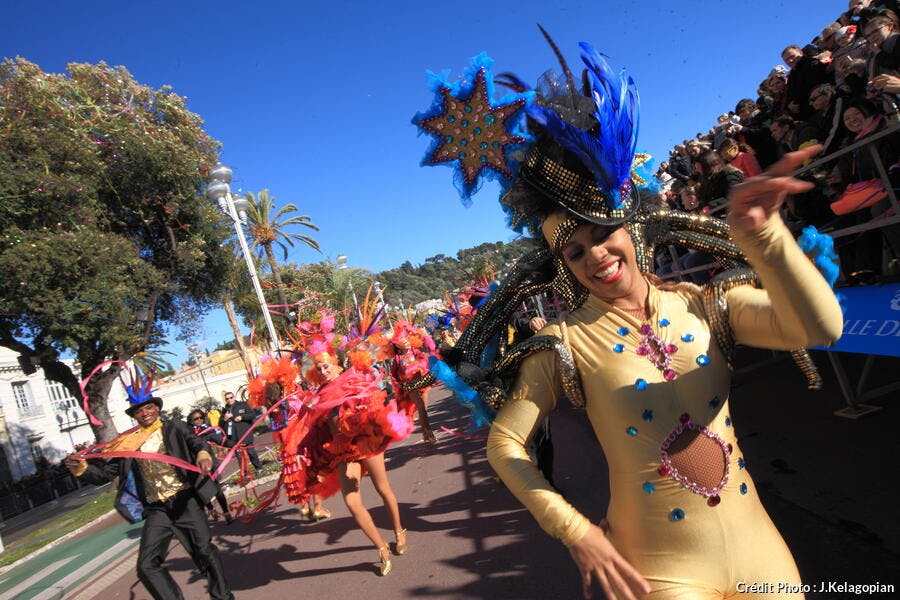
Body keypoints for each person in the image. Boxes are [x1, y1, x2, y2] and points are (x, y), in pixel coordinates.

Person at [413, 40, 842, 599]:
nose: (595, 255)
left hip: (762, 556)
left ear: (631, 228)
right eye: (574, 251)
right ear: (563, 265)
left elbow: (820, 328)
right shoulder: (563, 343)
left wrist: (765, 237)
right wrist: (574, 531)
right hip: (659, 571)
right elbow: (506, 444)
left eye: (602, 234)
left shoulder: (705, 303)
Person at [66, 391, 233, 600]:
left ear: (157, 409)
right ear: (134, 415)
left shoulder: (174, 427)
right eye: (139, 411)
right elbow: (106, 474)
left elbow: (196, 442)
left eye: (149, 407)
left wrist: (203, 454)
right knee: (146, 565)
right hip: (157, 510)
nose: (144, 413)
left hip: (185, 501)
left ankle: (223, 597)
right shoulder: (129, 442)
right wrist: (81, 468)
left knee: (204, 551)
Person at [389, 320, 436, 443]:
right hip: (410, 386)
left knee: (424, 408)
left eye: (407, 340)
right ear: (398, 346)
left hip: (422, 383)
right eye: (403, 341)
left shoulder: (415, 351)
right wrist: (398, 384)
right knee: (421, 407)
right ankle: (429, 433)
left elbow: (425, 357)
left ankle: (425, 433)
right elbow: (393, 374)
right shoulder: (397, 359)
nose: (407, 342)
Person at [187, 409, 233, 524]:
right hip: (196, 467)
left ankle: (226, 512)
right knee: (202, 491)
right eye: (196, 419)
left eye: (201, 418)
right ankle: (212, 510)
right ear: (191, 421)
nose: (199, 420)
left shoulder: (207, 431)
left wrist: (233, 445)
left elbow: (220, 440)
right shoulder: (188, 434)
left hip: (210, 464)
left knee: (217, 489)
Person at [221, 390, 263, 470]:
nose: (229, 400)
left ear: (234, 397)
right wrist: (225, 419)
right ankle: (245, 473)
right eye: (227, 399)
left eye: (231, 397)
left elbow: (252, 415)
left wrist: (242, 417)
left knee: (251, 453)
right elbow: (220, 424)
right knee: (240, 458)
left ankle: (259, 468)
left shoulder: (242, 405)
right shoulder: (224, 410)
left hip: (245, 435)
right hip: (234, 439)